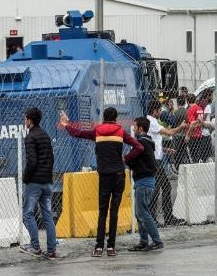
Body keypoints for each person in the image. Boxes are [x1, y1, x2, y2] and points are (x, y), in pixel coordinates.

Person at [60, 107, 144, 257]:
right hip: (119, 174)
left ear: (104, 118)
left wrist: (66, 124)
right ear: (116, 118)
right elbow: (139, 147)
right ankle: (111, 247)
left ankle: (99, 247)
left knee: (102, 211)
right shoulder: (121, 132)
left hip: (104, 175)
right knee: (114, 211)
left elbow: (78, 133)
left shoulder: (97, 131)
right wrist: (126, 158)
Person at [19, 107, 57, 260]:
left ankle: (35, 247)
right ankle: (52, 250)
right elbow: (51, 159)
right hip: (47, 182)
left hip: (34, 182)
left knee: (28, 214)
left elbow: (32, 161)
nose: (24, 121)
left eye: (25, 118)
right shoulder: (45, 135)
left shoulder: (30, 137)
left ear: (30, 120)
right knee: (47, 216)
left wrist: (25, 178)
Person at [126, 117, 164, 252]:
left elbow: (132, 160)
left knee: (143, 213)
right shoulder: (147, 141)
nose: (134, 129)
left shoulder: (141, 143)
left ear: (140, 128)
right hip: (144, 181)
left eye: (135, 127)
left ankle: (157, 241)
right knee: (139, 213)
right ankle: (143, 241)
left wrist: (127, 160)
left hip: (144, 181)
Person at [147, 101, 187, 226]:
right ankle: (155, 217)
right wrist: (181, 127)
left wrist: (165, 150)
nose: (160, 113)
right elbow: (170, 133)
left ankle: (167, 217)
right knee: (158, 188)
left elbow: (153, 143)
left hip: (156, 159)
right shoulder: (152, 122)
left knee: (164, 187)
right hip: (155, 162)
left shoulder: (151, 122)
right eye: (159, 110)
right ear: (154, 110)